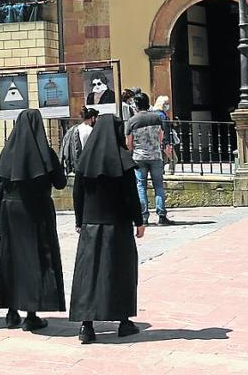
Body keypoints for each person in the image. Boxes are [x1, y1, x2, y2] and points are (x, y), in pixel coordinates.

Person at [70, 113, 144, 344]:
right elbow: (132, 196)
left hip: (91, 225)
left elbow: (77, 193)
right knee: (120, 272)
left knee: (89, 275)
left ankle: (87, 326)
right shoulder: (123, 160)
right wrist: (138, 221)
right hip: (118, 225)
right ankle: (123, 321)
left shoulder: (85, 159)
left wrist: (79, 220)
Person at [0, 109, 67, 332]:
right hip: (36, 211)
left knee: (11, 257)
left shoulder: (8, 151)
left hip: (10, 210)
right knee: (35, 257)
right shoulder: (45, 152)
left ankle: (11, 311)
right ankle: (31, 314)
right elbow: (61, 183)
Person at [126, 93, 174, 226]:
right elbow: (160, 138)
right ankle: (162, 216)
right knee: (158, 186)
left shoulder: (132, 121)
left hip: (139, 156)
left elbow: (129, 143)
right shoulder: (157, 118)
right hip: (155, 155)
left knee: (141, 186)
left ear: (136, 105)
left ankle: (143, 217)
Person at [61, 106, 97, 173]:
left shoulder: (74, 129)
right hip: (89, 166)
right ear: (93, 118)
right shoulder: (92, 131)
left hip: (76, 165)